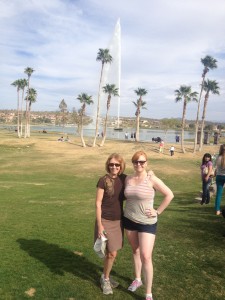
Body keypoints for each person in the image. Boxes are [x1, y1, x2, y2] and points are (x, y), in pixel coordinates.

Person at [123, 151, 174, 300]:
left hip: (147, 223)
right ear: (133, 163)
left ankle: (148, 293)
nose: (139, 164)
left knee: (146, 255)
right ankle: (138, 279)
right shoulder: (128, 179)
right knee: (135, 251)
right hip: (129, 220)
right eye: (136, 162)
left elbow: (169, 194)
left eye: (142, 162)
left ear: (146, 163)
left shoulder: (151, 178)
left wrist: (157, 211)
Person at [95, 153, 126, 295]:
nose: (114, 167)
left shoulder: (124, 179)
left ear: (121, 166)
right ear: (108, 165)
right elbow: (98, 203)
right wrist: (100, 225)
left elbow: (140, 179)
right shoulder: (103, 180)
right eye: (112, 164)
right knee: (111, 253)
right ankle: (106, 279)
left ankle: (105, 276)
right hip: (105, 221)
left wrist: (150, 174)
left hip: (119, 221)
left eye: (117, 165)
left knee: (113, 254)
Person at [215, 144, 225, 215]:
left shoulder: (218, 157)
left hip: (219, 176)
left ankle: (217, 210)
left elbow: (216, 167)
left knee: (218, 194)